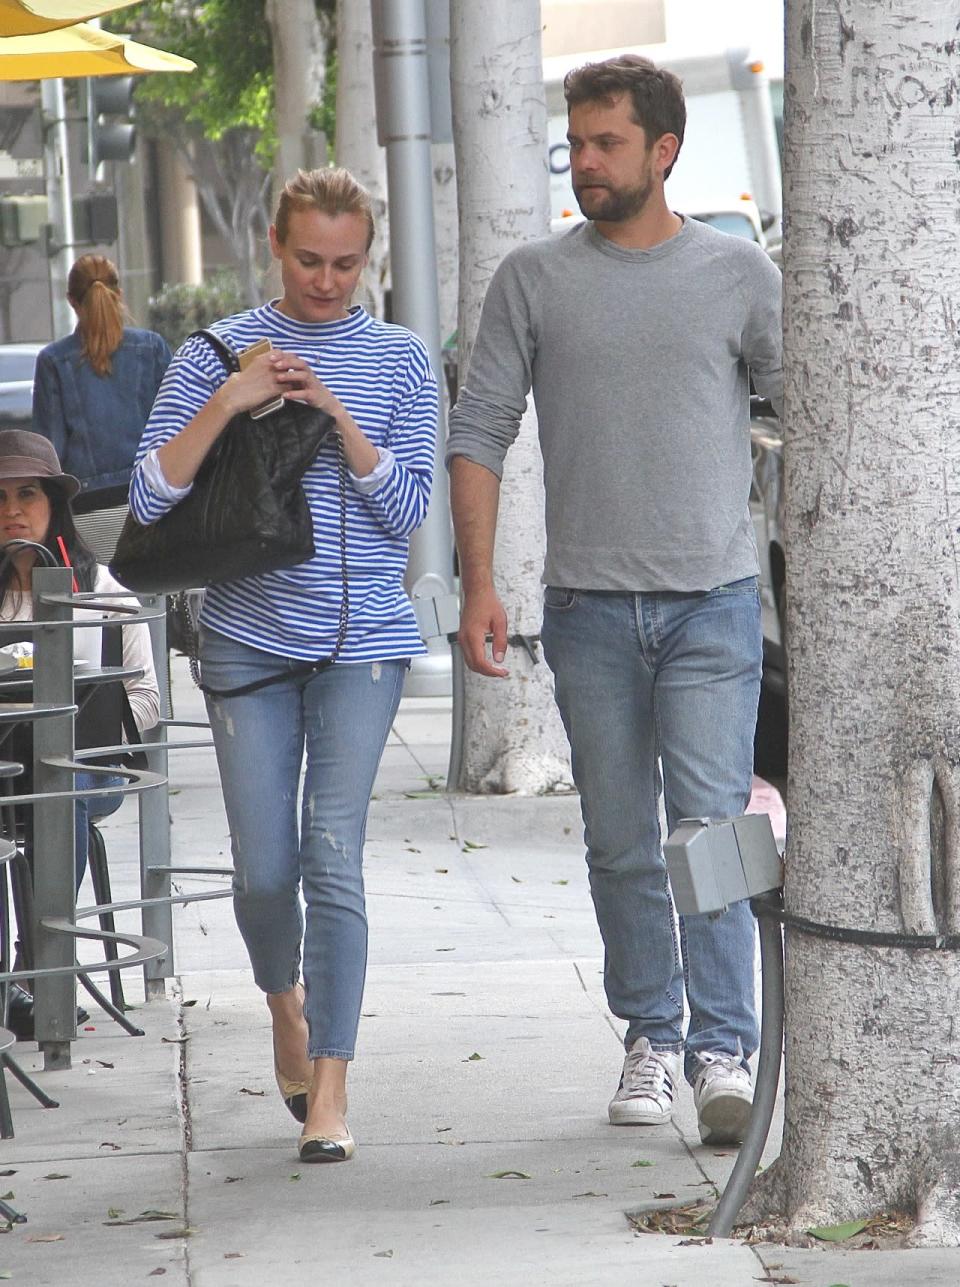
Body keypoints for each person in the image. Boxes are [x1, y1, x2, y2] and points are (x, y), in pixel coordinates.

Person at [446, 56, 783, 1147]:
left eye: (605, 144)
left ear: (663, 152)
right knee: (620, 844)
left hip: (713, 607)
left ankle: (724, 1048)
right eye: (576, 143)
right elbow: (479, 429)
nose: (583, 162)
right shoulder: (534, 280)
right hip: (588, 611)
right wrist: (482, 584)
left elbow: (804, 418)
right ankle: (652, 1032)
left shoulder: (740, 277)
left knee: (712, 829)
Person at [129, 167, 437, 1164]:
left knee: (330, 857)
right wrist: (232, 398)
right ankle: (284, 1004)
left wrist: (337, 418)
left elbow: (406, 513)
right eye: (309, 259)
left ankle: (331, 1094)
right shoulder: (215, 349)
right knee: (265, 874)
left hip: (365, 650)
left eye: (347, 263)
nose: (328, 280)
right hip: (251, 642)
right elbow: (146, 495)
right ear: (274, 242)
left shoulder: (398, 360)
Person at [0, 429, 160, 1040]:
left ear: (52, 505)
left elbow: (146, 699)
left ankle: (34, 971)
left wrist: (98, 704)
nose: (14, 510)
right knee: (38, 795)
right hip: (5, 765)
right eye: (2, 497)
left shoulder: (102, 588)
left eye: (28, 495)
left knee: (58, 797)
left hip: (86, 763)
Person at [32, 255, 172, 496]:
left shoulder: (53, 361)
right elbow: (176, 425)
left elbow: (51, 452)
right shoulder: (152, 348)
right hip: (151, 493)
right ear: (118, 293)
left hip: (86, 499)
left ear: (72, 301)